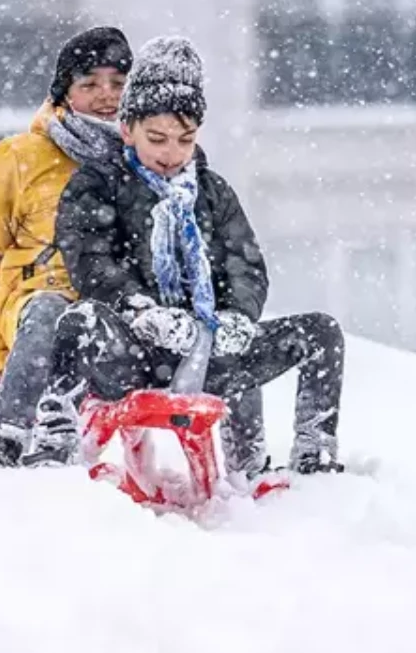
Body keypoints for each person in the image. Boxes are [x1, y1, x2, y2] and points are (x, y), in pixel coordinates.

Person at [49, 36, 346, 476]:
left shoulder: (213, 193)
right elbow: (90, 261)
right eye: (158, 139)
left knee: (321, 332)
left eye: (184, 140)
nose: (171, 155)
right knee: (79, 321)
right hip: (135, 352)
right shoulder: (97, 184)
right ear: (128, 130)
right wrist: (139, 308)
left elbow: (244, 265)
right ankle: (54, 445)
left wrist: (235, 316)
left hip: (208, 354)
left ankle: (313, 460)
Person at [0, 26, 133, 468]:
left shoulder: (145, 156)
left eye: (118, 83)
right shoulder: (19, 157)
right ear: (64, 92)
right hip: (34, 309)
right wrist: (0, 358)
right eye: (90, 84)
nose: (106, 96)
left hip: (107, 313)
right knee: (50, 311)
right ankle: (7, 443)